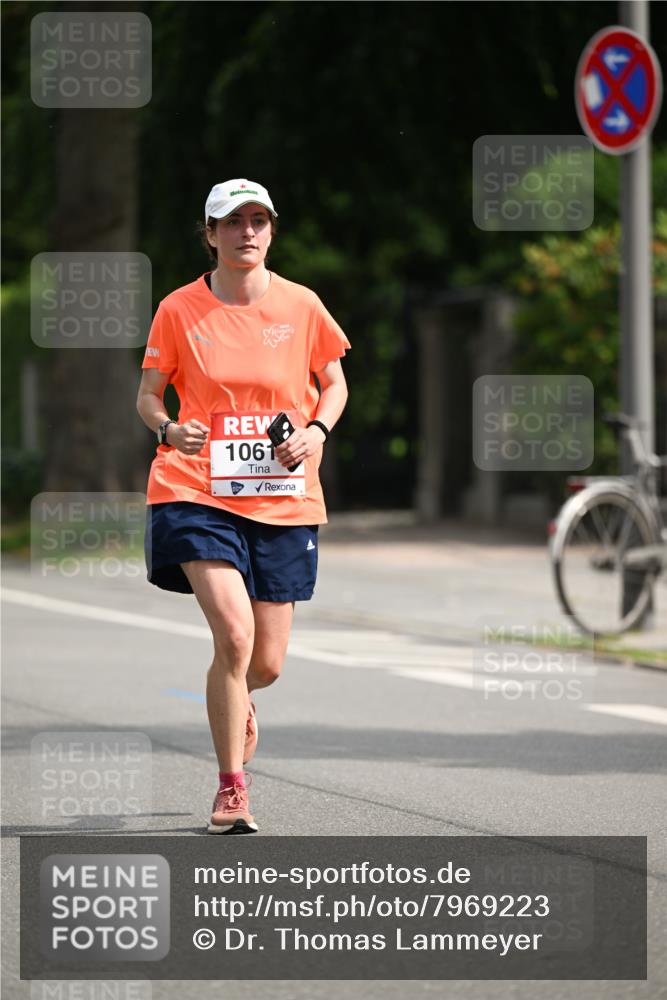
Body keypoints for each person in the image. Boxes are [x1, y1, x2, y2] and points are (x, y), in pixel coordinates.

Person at [136, 178, 350, 834]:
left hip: (282, 497)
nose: (246, 231)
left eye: (258, 220)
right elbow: (148, 395)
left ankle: (238, 700)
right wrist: (169, 428)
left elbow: (334, 383)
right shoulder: (179, 309)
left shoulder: (302, 304)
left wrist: (316, 432)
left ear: (272, 230)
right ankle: (232, 791)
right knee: (233, 636)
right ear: (210, 234)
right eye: (232, 222)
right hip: (196, 488)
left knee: (265, 664)